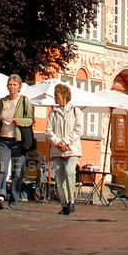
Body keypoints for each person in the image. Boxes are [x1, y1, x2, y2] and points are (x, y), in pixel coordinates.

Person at [0, 74, 34, 211]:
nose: (12, 87)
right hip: (3, 139)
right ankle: (1, 196)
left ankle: (13, 201)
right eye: (10, 84)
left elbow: (31, 120)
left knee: (17, 172)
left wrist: (18, 121)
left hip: (18, 141)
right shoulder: (2, 101)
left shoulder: (24, 101)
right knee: (2, 168)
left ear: (19, 87)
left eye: (14, 85)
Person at [45, 83, 82, 215]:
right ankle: (64, 204)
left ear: (64, 96)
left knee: (70, 172)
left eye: (57, 95)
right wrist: (58, 143)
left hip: (72, 149)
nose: (55, 98)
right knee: (59, 179)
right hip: (57, 150)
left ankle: (72, 199)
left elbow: (78, 130)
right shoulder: (53, 113)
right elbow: (49, 131)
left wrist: (66, 142)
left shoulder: (76, 111)